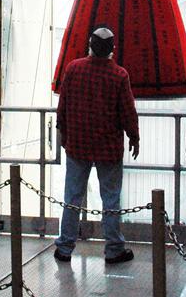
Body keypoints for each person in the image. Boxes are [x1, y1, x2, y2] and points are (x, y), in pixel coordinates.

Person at [54, 24, 139, 264]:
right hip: (108, 147)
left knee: (72, 197)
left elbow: (63, 106)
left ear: (89, 45)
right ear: (112, 48)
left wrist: (63, 133)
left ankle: (64, 248)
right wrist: (134, 136)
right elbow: (127, 112)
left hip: (77, 144)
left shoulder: (73, 69)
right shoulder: (119, 75)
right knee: (110, 199)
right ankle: (113, 249)